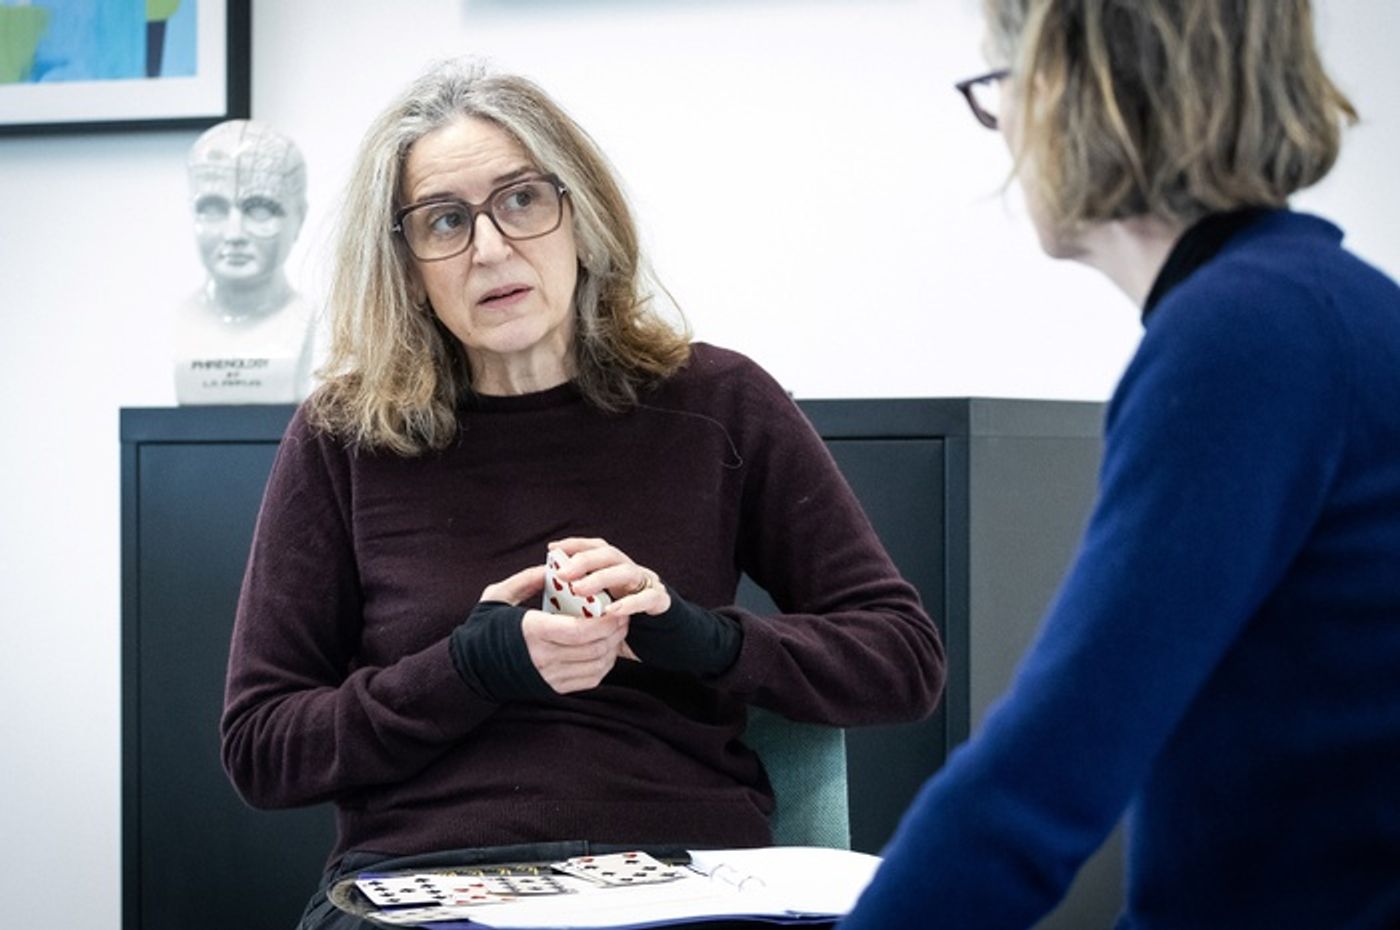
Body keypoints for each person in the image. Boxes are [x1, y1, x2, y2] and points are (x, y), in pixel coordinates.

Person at [218, 61, 945, 929]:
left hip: (681, 878)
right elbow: (262, 748)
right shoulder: (344, 436)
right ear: (407, 265)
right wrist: (469, 668)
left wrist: (698, 639)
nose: (491, 248)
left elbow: (903, 662)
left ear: (582, 215)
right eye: (445, 221)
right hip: (437, 882)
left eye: (522, 200)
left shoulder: (719, 403)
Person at [840, 1, 1400, 928]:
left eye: (999, 87)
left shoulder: (1243, 338)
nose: (1006, 130)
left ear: (1070, 91)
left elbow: (1043, 777)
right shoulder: (1324, 308)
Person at [174, 118, 316, 404]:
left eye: (260, 210)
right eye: (213, 209)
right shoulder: (184, 322)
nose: (234, 234)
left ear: (299, 218)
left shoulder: (304, 320)